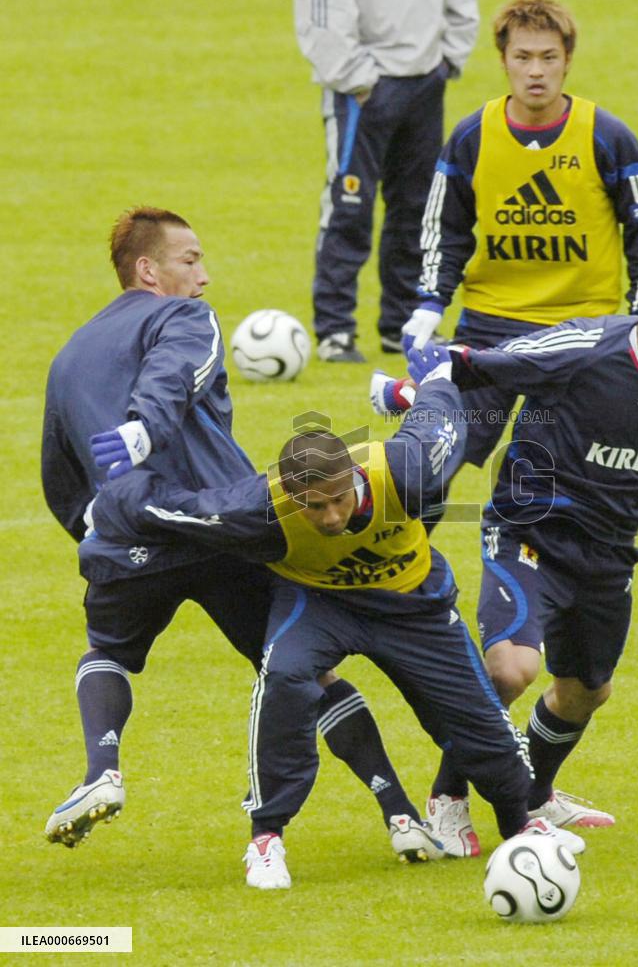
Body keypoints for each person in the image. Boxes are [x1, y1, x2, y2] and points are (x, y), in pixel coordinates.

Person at [86, 369, 585, 889]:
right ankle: (266, 838)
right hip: (317, 603)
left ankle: (519, 826)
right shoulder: (260, 508)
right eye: (313, 506)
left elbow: (444, 422)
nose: (328, 517)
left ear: (352, 478)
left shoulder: (405, 471)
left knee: (479, 725)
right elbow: (174, 509)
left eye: (337, 499)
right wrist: (109, 502)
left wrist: (431, 381)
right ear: (291, 496)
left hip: (412, 606)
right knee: (283, 676)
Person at [41, 206, 414, 850]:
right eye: (191, 260)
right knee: (303, 668)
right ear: (148, 269)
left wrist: (98, 532)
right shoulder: (184, 317)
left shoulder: (68, 356)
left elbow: (59, 471)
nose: (204, 276)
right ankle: (402, 814)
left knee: (108, 653)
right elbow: (174, 375)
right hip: (220, 527)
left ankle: (101, 771)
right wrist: (144, 428)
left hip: (131, 535)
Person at [401, 252, 638, 848]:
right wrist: (419, 382)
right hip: (529, 533)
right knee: (511, 668)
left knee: (585, 690)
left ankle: (535, 795)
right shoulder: (585, 348)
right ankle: (447, 797)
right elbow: (486, 365)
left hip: (608, 552)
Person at [386, 0, 638, 473]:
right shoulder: (473, 135)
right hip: (491, 326)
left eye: (548, 57)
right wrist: (431, 301)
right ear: (503, 60)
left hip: (581, 332)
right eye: (523, 57)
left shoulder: (606, 136)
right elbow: (444, 225)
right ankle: (408, 549)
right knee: (437, 453)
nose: (536, 71)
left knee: (565, 467)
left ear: (568, 61)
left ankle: (535, 547)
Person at [294, 0, 479, 362]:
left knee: (418, 207)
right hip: (362, 90)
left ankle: (402, 325)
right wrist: (357, 80)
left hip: (427, 81)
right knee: (349, 209)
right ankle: (335, 329)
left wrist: (448, 59)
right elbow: (323, 15)